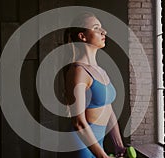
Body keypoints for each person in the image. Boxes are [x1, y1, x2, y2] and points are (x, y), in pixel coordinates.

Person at [63, 12, 128, 158]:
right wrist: (103, 156)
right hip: (82, 146)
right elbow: (78, 122)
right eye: (96, 28)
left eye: (102, 28)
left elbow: (108, 108)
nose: (103, 31)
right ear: (82, 36)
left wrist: (118, 144)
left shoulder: (101, 71)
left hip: (98, 143)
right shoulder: (78, 71)